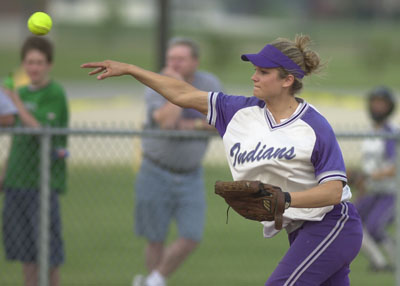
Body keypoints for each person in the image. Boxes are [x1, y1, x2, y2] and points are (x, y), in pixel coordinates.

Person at [82, 34, 363, 286]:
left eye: (263, 72)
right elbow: (182, 93)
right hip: (299, 232)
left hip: (333, 224)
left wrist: (284, 199)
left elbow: (333, 191)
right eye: (254, 69)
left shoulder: (313, 126)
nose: (254, 76)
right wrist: (131, 70)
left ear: (287, 80)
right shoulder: (238, 111)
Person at [131, 37, 222, 286]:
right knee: (155, 237)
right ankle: (154, 282)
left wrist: (189, 124)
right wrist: (177, 85)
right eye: (171, 59)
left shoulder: (209, 84)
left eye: (181, 59)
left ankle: (152, 280)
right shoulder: (155, 84)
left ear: (195, 61)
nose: (174, 63)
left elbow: (218, 123)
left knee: (191, 235)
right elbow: (166, 122)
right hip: (155, 170)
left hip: (191, 174)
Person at [1, 36, 69, 286]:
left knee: (48, 257)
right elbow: (17, 140)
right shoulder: (17, 94)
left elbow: (40, 130)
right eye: (29, 62)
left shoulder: (55, 93)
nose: (34, 68)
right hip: (16, 182)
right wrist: (4, 175)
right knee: (25, 256)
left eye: (39, 62)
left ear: (49, 65)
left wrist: (15, 103)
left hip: (42, 185)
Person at [348, 86, 397, 272]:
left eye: (382, 103)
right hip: (372, 190)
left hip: (390, 192)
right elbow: (369, 167)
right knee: (351, 222)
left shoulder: (391, 133)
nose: (377, 107)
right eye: (374, 102)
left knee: (376, 228)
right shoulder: (370, 134)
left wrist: (368, 175)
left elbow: (395, 167)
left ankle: (393, 263)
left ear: (390, 107)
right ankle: (380, 263)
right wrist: (361, 183)